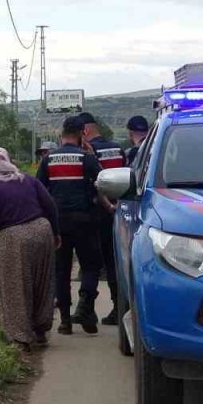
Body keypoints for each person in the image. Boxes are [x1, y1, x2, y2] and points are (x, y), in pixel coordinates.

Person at [0, 147, 60, 351]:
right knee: (42, 282)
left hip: (14, 237)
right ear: (9, 160)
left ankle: (21, 338)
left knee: (15, 286)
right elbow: (50, 205)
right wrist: (56, 233)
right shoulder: (28, 180)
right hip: (43, 231)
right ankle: (41, 330)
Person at [37, 117, 104, 335]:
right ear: (82, 133)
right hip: (85, 221)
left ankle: (65, 321)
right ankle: (86, 306)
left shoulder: (48, 160)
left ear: (61, 134)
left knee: (61, 271)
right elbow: (102, 182)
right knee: (91, 266)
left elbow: (39, 191)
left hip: (57, 223)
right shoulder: (86, 157)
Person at [78, 112, 125, 326]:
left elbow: (90, 183)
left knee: (93, 262)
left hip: (98, 211)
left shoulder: (89, 152)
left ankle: (87, 308)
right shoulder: (117, 148)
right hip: (120, 210)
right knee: (115, 261)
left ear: (85, 131)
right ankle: (119, 307)